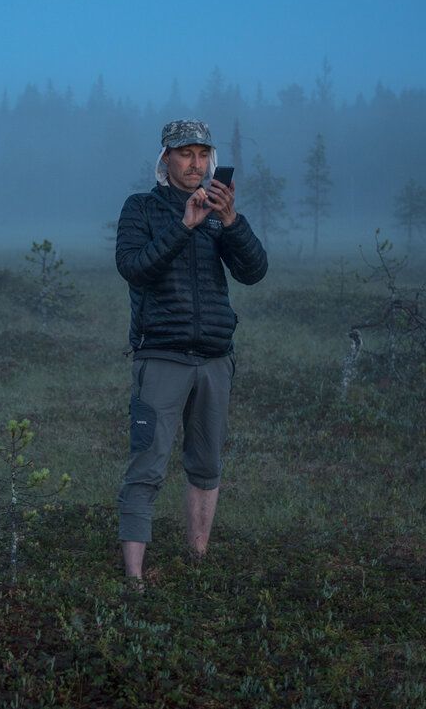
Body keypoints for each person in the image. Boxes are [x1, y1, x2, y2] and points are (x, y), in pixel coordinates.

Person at [114, 118, 268, 584]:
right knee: (148, 463)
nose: (195, 164)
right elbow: (133, 268)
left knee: (206, 463)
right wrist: (184, 226)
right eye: (185, 154)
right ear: (165, 159)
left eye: (203, 155)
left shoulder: (219, 214)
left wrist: (231, 221)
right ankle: (134, 577)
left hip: (215, 357)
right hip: (161, 354)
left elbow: (255, 271)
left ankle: (197, 560)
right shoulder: (141, 207)